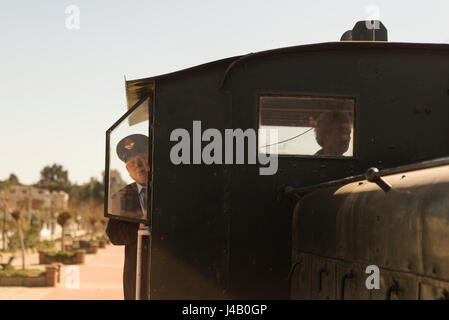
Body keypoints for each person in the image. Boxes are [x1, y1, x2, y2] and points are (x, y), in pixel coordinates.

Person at [106, 133, 150, 300]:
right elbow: (113, 235)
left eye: (142, 159)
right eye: (131, 163)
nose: (138, 166)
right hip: (136, 277)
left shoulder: (169, 189)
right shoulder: (121, 197)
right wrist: (138, 225)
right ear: (127, 170)